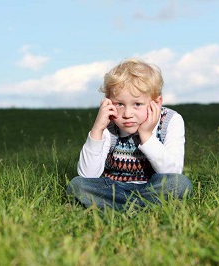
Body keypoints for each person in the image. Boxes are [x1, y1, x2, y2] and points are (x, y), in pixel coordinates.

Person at [67, 58, 193, 211]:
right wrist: (97, 129)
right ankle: (145, 208)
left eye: (137, 104)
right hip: (114, 189)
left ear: (157, 102)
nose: (127, 114)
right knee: (77, 185)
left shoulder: (171, 120)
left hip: (153, 187)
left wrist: (146, 135)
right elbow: (87, 174)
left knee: (180, 184)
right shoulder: (109, 123)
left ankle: (114, 209)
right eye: (119, 104)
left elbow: (172, 171)